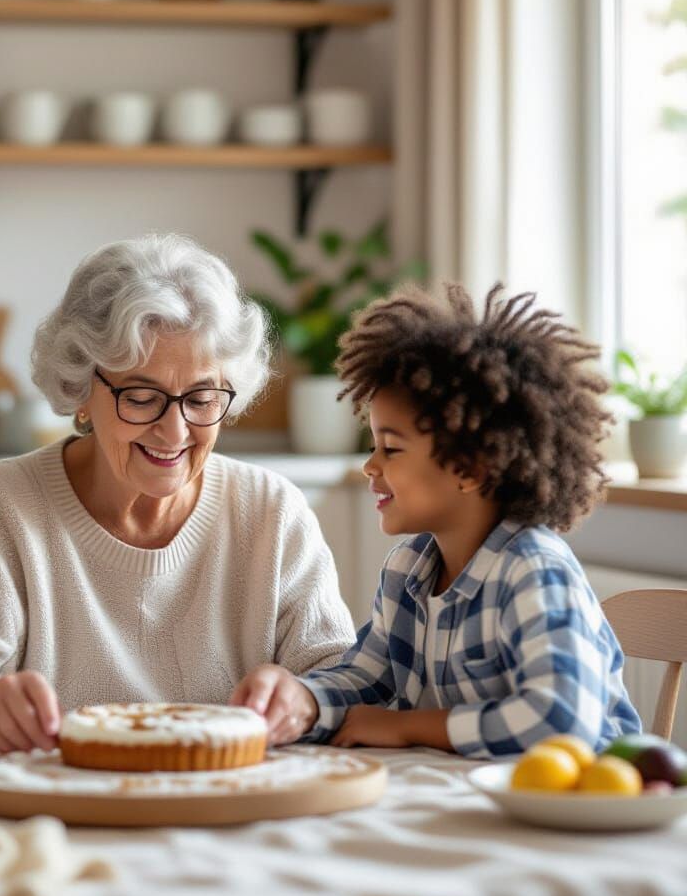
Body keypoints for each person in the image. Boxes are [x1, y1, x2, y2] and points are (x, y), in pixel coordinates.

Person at [0, 234, 357, 754]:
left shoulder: (271, 510)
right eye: (141, 397)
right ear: (81, 391)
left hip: (230, 809)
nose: (175, 432)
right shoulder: (1, 505)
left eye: (201, 398)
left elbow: (347, 680)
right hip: (61, 811)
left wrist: (306, 699)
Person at [231, 282, 641, 758]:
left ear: (470, 467)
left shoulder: (534, 571)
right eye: (372, 446)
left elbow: (561, 722)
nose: (371, 466)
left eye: (392, 448)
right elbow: (369, 680)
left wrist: (409, 728)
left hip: (579, 813)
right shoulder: (407, 570)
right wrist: (301, 700)